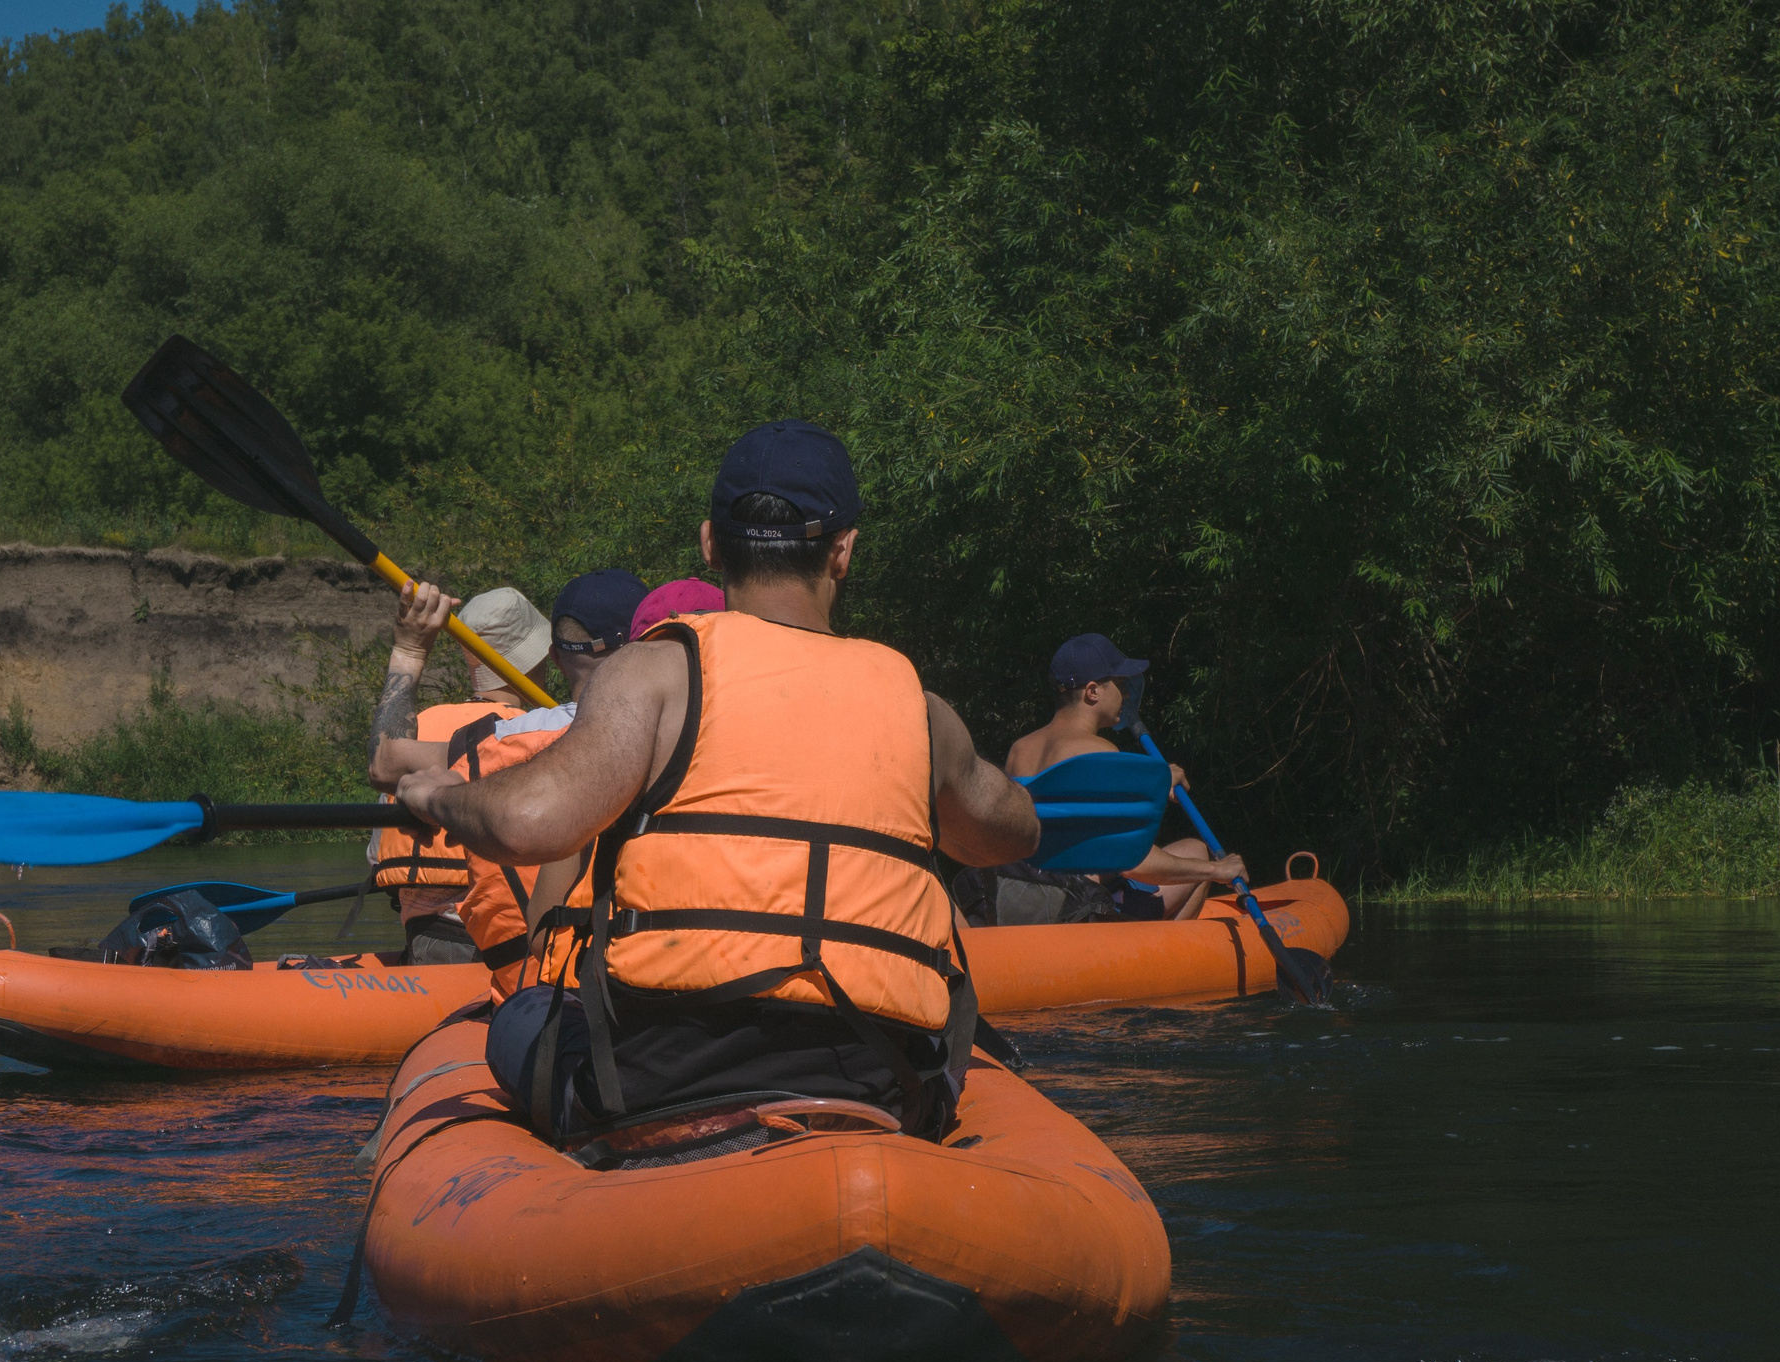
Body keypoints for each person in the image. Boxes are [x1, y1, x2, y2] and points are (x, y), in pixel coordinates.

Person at [394, 419, 1039, 1141]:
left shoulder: (655, 673)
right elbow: (1008, 831)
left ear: (709, 544)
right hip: (875, 1075)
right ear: (844, 551)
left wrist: (437, 797)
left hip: (667, 1077)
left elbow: (528, 821)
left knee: (514, 1019)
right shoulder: (921, 711)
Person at [371, 569, 650, 997]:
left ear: (557, 657)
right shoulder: (672, 731)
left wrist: (409, 651)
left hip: (451, 941)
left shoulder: (496, 736)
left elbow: (383, 759)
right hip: (587, 964)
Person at [972, 633, 1247, 923]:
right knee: (1202, 859)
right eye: (1119, 684)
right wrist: (1218, 871)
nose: (1127, 694)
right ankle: (1154, 960)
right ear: (1093, 691)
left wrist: (1155, 781)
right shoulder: (1098, 751)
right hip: (1079, 905)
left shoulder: (1020, 749)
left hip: (1026, 894)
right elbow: (1131, 862)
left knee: (1194, 847)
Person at [365, 583, 557, 963]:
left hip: (423, 936)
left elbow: (375, 857)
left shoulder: (416, 729)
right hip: (505, 943)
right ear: (539, 658)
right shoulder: (535, 732)